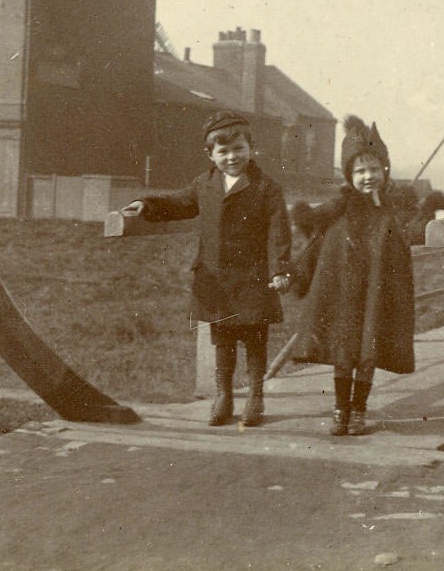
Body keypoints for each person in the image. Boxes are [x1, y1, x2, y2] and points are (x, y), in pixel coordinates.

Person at [121, 111, 291, 427]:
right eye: (223, 151)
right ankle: (223, 396)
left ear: (251, 148)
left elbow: (278, 231)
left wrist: (279, 269)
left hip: (253, 278)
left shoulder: (267, 187)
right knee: (223, 340)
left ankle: (255, 397)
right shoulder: (204, 184)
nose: (232, 157)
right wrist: (147, 204)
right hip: (216, 278)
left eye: (238, 149)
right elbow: (178, 203)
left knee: (255, 339)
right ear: (210, 155)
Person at [290, 115, 417, 436]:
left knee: (367, 352)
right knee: (343, 351)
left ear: (385, 170)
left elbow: (417, 223)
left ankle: (359, 409)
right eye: (360, 171)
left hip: (377, 292)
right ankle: (340, 409)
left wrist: (440, 211)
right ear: (349, 176)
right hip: (345, 293)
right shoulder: (340, 207)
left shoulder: (394, 206)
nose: (368, 176)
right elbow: (313, 228)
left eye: (374, 169)